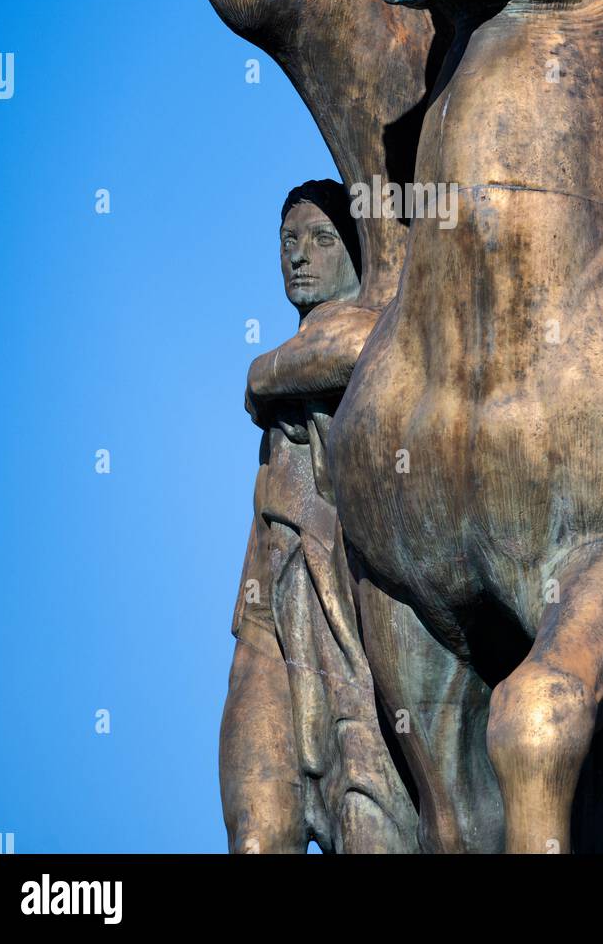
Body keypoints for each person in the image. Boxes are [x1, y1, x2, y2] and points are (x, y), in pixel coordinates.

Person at [220, 180, 416, 854]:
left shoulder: (367, 330)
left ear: (357, 255)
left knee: (367, 808)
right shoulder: (302, 351)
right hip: (268, 616)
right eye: (288, 242)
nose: (299, 256)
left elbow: (339, 356)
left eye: (321, 240)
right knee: (259, 829)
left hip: (346, 610)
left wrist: (260, 372)